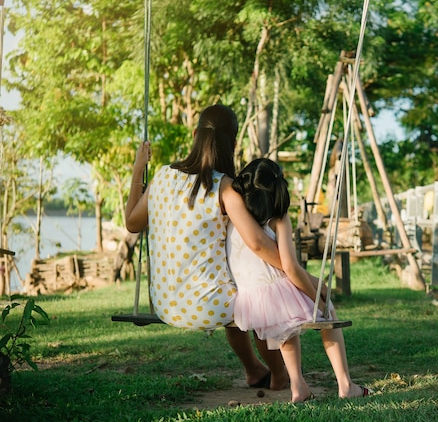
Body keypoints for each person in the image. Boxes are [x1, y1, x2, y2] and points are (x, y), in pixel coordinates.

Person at [125, 104, 288, 390]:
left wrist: (139, 166)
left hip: (165, 304)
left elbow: (131, 223)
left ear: (194, 134)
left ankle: (253, 369)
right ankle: (279, 374)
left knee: (233, 296)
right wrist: (294, 273)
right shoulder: (223, 186)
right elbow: (258, 244)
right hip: (209, 306)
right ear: (233, 143)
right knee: (258, 295)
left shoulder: (162, 176)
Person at [226, 158, 370, 403]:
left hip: (249, 297)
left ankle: (298, 386)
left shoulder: (234, 219)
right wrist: (319, 300)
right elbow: (291, 268)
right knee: (328, 311)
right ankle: (346, 385)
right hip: (277, 287)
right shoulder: (279, 219)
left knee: (286, 332)